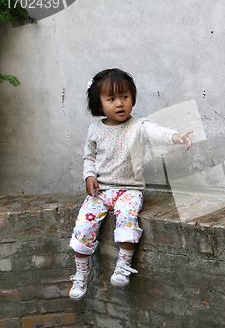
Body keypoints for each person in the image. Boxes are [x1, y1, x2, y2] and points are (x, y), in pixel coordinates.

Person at [69, 68, 193, 300]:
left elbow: (157, 132)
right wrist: (89, 176)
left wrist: (177, 137)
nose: (119, 103)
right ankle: (82, 272)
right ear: (99, 104)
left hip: (129, 190)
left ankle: (123, 265)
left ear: (132, 98)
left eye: (124, 97)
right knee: (83, 227)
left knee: (127, 219)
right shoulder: (95, 130)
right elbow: (89, 157)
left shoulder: (138, 126)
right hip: (101, 190)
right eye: (111, 99)